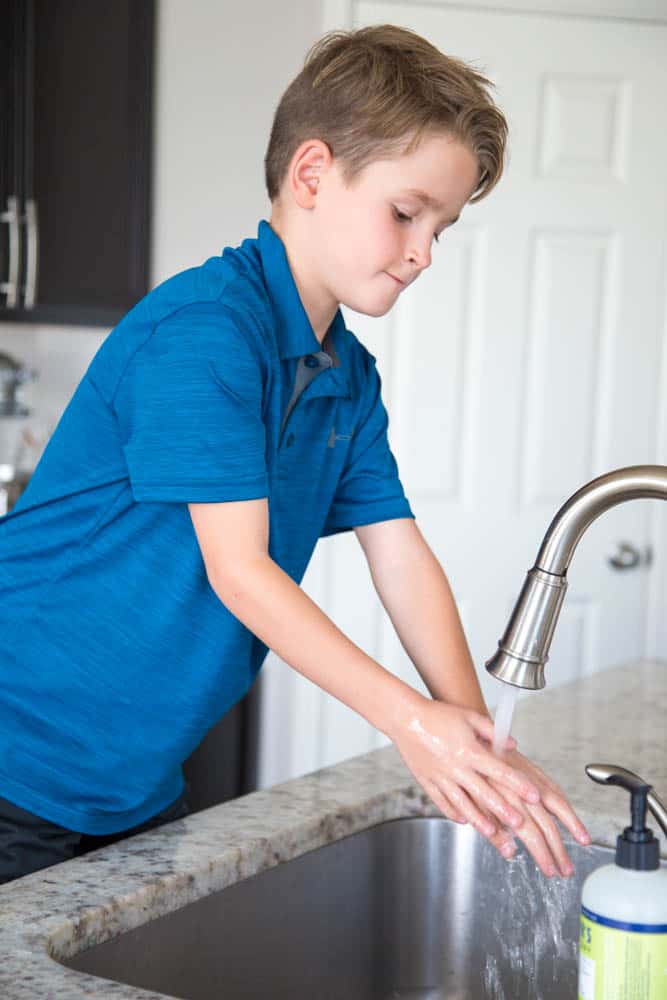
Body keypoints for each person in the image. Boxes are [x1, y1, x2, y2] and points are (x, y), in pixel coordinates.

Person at [0, 23, 590, 885]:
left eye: (442, 227)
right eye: (406, 212)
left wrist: (474, 739)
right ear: (312, 174)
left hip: (131, 781)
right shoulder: (204, 334)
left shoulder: (344, 375)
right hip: (18, 761)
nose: (424, 252)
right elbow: (240, 573)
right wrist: (410, 723)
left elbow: (400, 553)